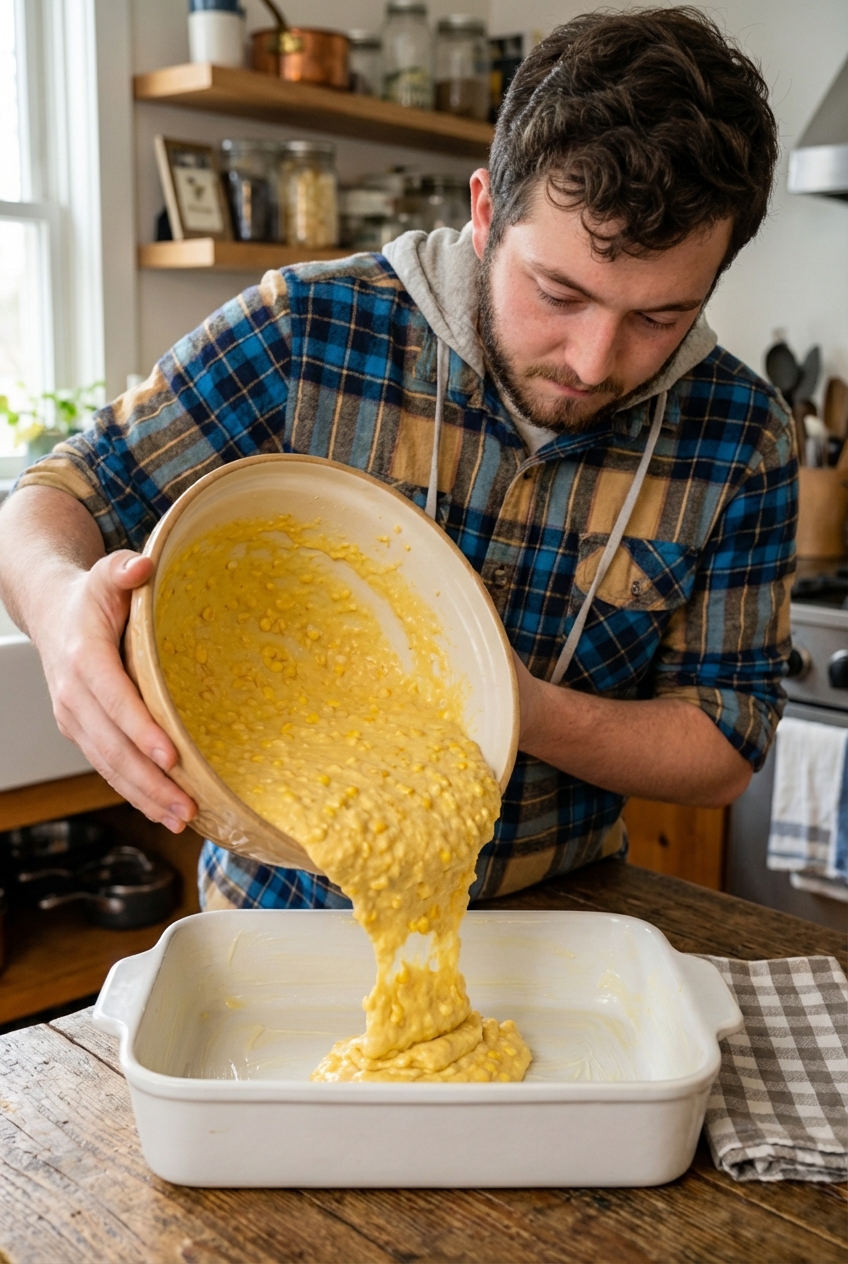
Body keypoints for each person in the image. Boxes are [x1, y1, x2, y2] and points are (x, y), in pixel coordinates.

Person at [0, 8, 795, 911]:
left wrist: (511, 705)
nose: (592, 360)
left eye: (660, 318)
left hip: (555, 919)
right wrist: (63, 615)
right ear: (487, 210)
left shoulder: (745, 433)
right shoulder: (306, 330)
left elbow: (726, 740)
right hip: (275, 920)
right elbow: (57, 496)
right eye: (558, 292)